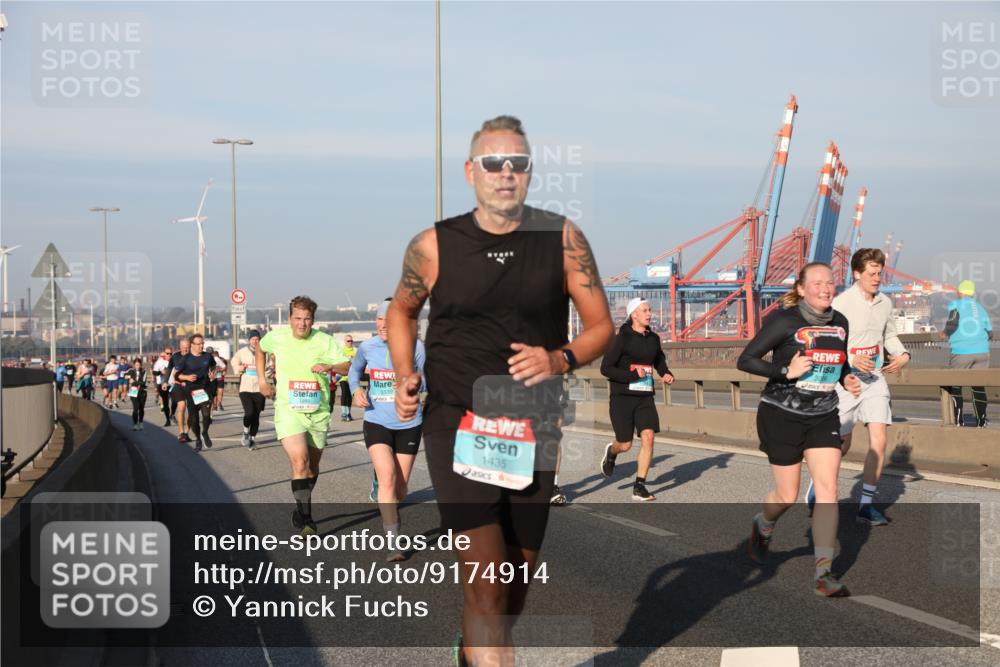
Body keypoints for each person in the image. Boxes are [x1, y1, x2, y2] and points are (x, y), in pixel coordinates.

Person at [386, 115, 614, 664]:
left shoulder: (562, 239)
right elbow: (401, 311)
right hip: (457, 421)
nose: (506, 172)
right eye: (494, 162)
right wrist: (404, 373)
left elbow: (601, 327)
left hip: (534, 425)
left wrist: (558, 358)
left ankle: (470, 654)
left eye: (519, 163)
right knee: (486, 585)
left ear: (530, 174)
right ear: (472, 172)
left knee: (512, 589)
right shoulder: (434, 244)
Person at [737, 262, 861, 597]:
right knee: (787, 495)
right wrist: (785, 371)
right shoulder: (784, 321)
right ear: (801, 289)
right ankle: (764, 523)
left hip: (823, 414)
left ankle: (824, 574)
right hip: (781, 414)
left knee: (828, 489)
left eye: (830, 282)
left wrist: (846, 375)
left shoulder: (840, 322)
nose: (825, 288)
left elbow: (840, 359)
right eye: (817, 283)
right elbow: (746, 360)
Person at [806, 248, 910, 526]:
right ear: (857, 274)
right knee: (841, 443)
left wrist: (902, 355)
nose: (877, 278)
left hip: (875, 379)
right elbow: (827, 340)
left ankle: (866, 506)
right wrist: (852, 358)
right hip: (846, 381)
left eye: (880, 273)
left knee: (879, 440)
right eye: (872, 274)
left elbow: (890, 335)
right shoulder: (840, 304)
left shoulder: (885, 303)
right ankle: (819, 484)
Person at [257, 296, 351, 535]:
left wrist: (330, 366)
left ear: (313, 320)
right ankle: (308, 520)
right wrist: (262, 380)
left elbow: (347, 366)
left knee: (313, 467)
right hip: (289, 409)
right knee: (300, 462)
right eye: (297, 318)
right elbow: (260, 348)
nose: (302, 323)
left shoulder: (325, 341)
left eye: (307, 319)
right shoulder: (277, 337)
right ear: (289, 319)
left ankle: (300, 508)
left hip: (318, 410)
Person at [349, 298, 426, 561]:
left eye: (389, 320)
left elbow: (427, 381)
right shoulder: (367, 347)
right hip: (376, 420)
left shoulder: (416, 348)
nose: (383, 325)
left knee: (400, 489)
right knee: (388, 479)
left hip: (409, 423)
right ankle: (393, 542)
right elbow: (354, 371)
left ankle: (388, 497)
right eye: (380, 319)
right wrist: (355, 389)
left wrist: (412, 384)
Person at [599, 297, 675, 501]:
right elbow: (606, 368)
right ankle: (613, 452)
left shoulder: (654, 338)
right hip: (622, 397)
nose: (650, 314)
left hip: (644, 396)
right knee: (625, 444)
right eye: (645, 311)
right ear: (634, 315)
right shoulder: (622, 338)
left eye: (650, 310)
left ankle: (639, 486)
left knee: (648, 436)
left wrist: (665, 373)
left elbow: (659, 359)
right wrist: (633, 376)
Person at [946, 279, 993, 428]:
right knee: (978, 386)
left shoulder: (955, 305)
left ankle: (959, 421)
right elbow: (990, 332)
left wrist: (945, 333)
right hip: (982, 351)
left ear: (960, 292)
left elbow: (953, 322)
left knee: (956, 385)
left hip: (961, 351)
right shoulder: (980, 307)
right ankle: (981, 421)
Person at [173, 334, 217, 452]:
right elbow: (176, 374)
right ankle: (198, 439)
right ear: (192, 345)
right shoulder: (185, 358)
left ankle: (205, 432)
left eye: (202, 343)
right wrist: (186, 377)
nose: (201, 346)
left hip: (205, 389)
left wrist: (213, 372)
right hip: (191, 390)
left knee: (206, 414)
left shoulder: (208, 356)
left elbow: (213, 366)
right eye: (199, 344)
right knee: (194, 419)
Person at [232, 330, 266, 449]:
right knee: (249, 412)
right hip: (245, 387)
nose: (255, 341)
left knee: (256, 416)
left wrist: (269, 372)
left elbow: (270, 366)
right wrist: (239, 367)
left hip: (259, 388)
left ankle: (252, 439)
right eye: (253, 339)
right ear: (249, 340)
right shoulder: (242, 352)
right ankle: (246, 432)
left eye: (257, 339)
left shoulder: (264, 352)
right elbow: (234, 362)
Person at [167, 339, 192, 442]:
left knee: (192, 411)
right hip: (178, 385)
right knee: (181, 406)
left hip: (192, 386)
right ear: (180, 347)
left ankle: (186, 432)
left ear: (190, 347)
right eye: (183, 347)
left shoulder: (194, 356)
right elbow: (169, 370)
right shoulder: (175, 356)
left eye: (187, 347)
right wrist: (165, 381)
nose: (185, 349)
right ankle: (181, 433)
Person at [124, 357, 150, 430]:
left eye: (138, 365)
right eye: (136, 365)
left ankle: (141, 422)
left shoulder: (144, 371)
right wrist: (129, 378)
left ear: (141, 365)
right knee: (136, 408)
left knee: (141, 408)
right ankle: (135, 424)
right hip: (133, 391)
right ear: (134, 365)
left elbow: (143, 382)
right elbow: (124, 375)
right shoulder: (131, 370)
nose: (137, 366)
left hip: (142, 391)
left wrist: (134, 381)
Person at [336, 335, 357, 421]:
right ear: (345, 342)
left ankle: (348, 413)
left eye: (351, 341)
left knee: (349, 395)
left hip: (352, 377)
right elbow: (338, 361)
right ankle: (344, 413)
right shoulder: (341, 350)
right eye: (348, 341)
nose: (350, 342)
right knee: (344, 394)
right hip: (343, 376)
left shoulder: (355, 350)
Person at [153, 347, 173, 426]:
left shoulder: (174, 361)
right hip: (162, 384)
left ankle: (173, 414)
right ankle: (168, 419)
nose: (169, 355)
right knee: (165, 403)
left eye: (170, 353)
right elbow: (154, 372)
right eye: (167, 353)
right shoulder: (159, 362)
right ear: (164, 353)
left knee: (175, 401)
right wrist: (160, 372)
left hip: (173, 384)